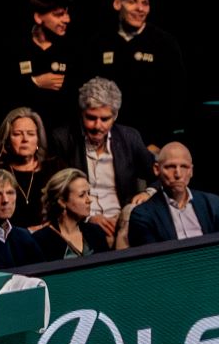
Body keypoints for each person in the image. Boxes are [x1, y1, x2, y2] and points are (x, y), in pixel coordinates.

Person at [57, 78, 156, 243]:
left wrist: (147, 193)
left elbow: (159, 175)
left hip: (125, 219)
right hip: (82, 223)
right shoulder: (63, 139)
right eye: (91, 118)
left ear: (115, 116)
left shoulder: (129, 137)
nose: (98, 126)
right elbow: (57, 193)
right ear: (81, 114)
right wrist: (88, 217)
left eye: (105, 119)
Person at [97, 0, 185, 142]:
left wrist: (159, 141)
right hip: (106, 140)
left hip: (151, 142)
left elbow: (177, 97)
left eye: (145, 3)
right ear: (117, 4)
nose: (140, 9)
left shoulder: (164, 43)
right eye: (133, 2)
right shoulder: (99, 42)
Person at [127, 143, 219, 244]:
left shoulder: (213, 204)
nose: (178, 174)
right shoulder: (142, 215)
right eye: (170, 167)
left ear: (191, 171)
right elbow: (151, 255)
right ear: (157, 169)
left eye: (184, 167)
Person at [0, 107, 52, 230]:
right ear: (7, 141)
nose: (25, 139)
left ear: (38, 139)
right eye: (17, 134)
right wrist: (27, 232)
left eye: (31, 134)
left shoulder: (54, 169)